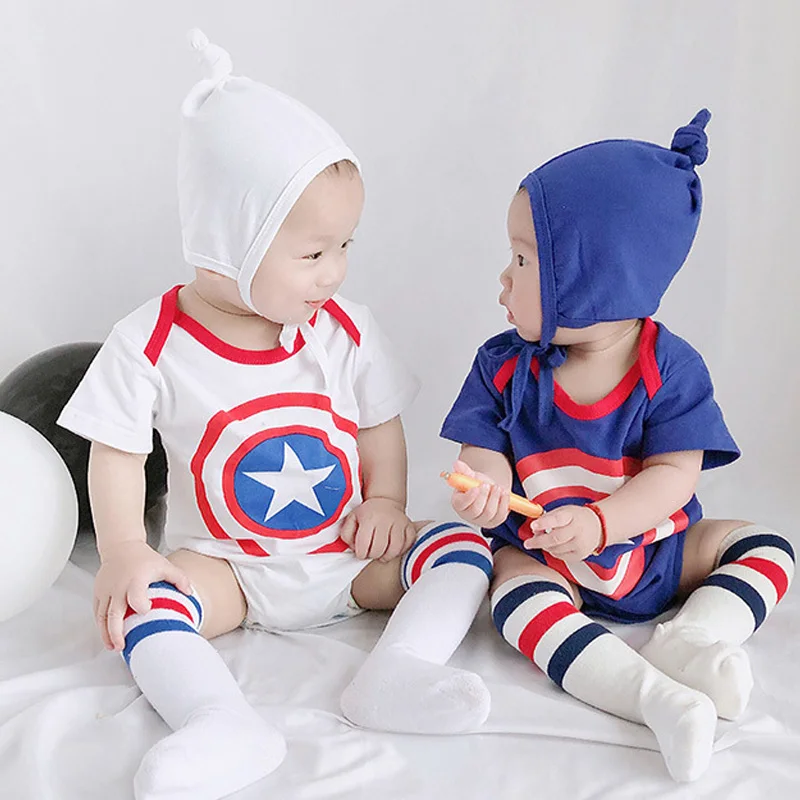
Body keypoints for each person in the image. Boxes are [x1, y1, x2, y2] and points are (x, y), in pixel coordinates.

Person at [58, 31, 492, 800]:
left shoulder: (345, 329)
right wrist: (124, 549)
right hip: (225, 567)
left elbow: (377, 424)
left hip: (346, 555)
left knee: (462, 547)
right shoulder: (150, 341)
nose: (336, 272)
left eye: (345, 246)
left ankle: (397, 670)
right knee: (140, 607)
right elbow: (118, 452)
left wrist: (387, 502)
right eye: (313, 254)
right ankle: (218, 720)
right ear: (228, 244)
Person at [440, 110, 794, 782]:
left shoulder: (671, 369)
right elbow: (480, 451)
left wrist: (603, 523)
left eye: (524, 259)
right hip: (545, 552)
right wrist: (484, 488)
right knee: (512, 592)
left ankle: (694, 638)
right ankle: (651, 698)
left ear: (594, 276)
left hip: (658, 552)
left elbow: (675, 476)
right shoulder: (502, 365)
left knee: (766, 546)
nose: (504, 280)